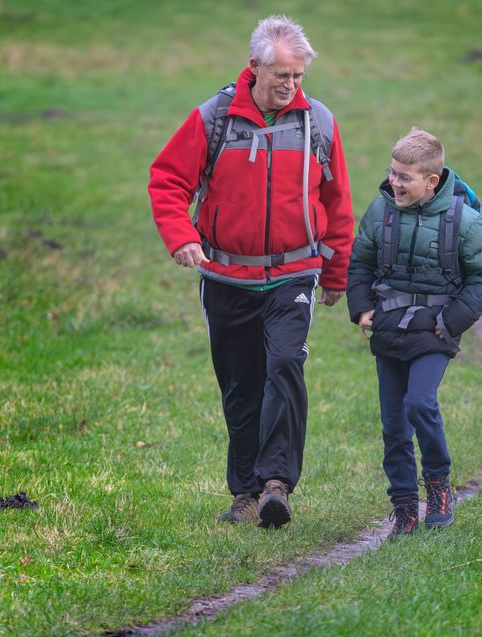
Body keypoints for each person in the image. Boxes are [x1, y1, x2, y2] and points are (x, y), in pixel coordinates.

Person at [149, 15, 353, 528]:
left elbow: (339, 202)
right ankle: (244, 493)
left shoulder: (319, 124)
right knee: (241, 384)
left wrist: (336, 275)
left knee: (285, 366)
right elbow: (167, 179)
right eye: (282, 75)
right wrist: (182, 238)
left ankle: (277, 485)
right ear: (254, 67)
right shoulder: (213, 119)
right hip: (225, 277)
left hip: (294, 274)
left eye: (299, 76)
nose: (290, 86)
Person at [346, 128, 482, 539]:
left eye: (405, 177)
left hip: (434, 332)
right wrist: (362, 307)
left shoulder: (465, 222)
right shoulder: (380, 212)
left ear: (432, 181)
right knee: (394, 426)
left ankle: (438, 485)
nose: (394, 182)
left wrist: (449, 322)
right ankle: (403, 507)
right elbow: (360, 261)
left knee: (419, 403)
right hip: (388, 330)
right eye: (392, 173)